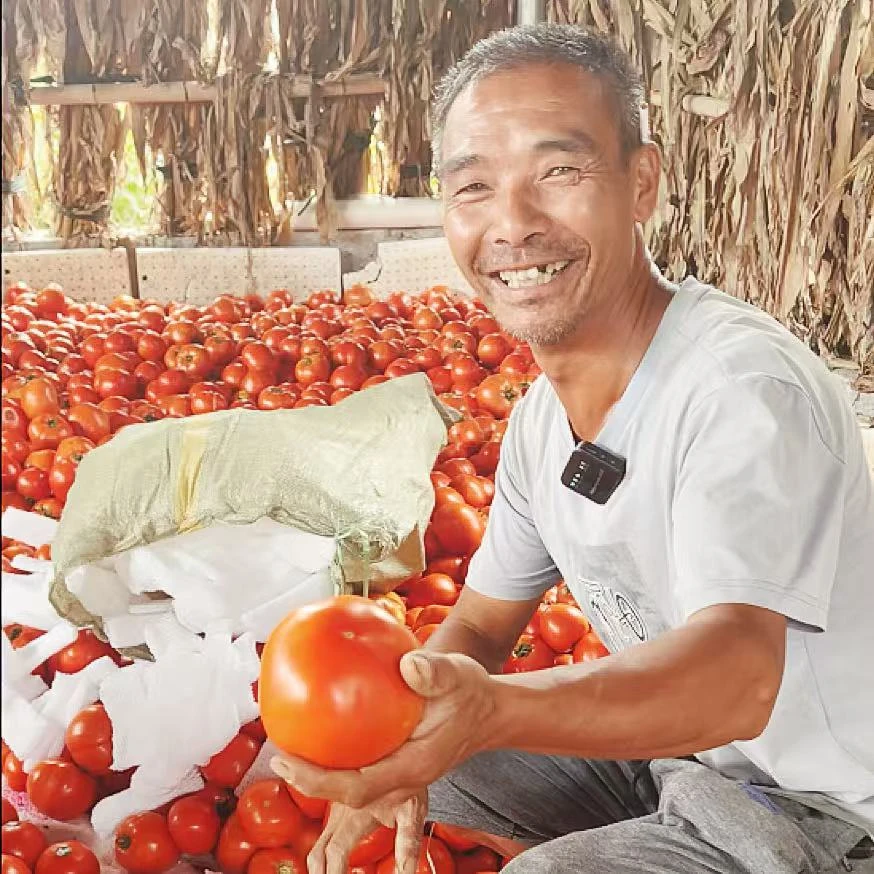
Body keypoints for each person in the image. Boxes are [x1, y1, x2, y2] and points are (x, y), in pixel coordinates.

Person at [272, 23, 874, 874]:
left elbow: (739, 675)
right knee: (426, 750)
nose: (512, 224)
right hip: (689, 763)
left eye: (558, 172)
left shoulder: (739, 391)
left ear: (643, 183)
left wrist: (489, 711)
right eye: (473, 186)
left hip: (828, 809)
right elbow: (479, 626)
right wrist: (386, 736)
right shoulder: (540, 424)